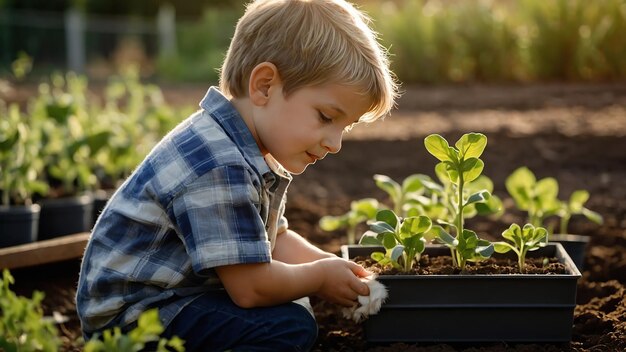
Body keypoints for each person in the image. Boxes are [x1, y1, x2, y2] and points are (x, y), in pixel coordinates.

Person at [76, 0, 398, 350]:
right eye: (325, 117)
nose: (335, 143)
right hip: (131, 323)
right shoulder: (217, 163)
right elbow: (251, 288)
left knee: (291, 303)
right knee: (287, 326)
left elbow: (274, 240)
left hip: (169, 302)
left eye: (344, 127)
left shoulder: (240, 148)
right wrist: (320, 278)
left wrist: (330, 265)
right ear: (263, 86)